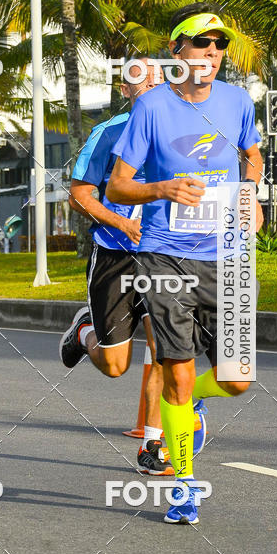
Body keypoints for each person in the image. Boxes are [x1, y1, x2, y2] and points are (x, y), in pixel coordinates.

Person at [107, 4, 263, 523]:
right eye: (201, 44)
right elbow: (117, 186)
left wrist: (250, 191)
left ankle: (186, 403)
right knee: (174, 371)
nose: (212, 54)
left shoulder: (238, 101)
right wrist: (162, 188)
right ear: (177, 52)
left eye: (219, 46)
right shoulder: (151, 108)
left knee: (238, 378)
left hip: (230, 254)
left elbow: (252, 153)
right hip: (165, 253)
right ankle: (184, 485)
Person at [60, 56, 206, 475]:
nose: (151, 94)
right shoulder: (107, 133)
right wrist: (123, 222)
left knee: (166, 349)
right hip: (115, 255)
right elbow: (80, 194)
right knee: (114, 365)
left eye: (158, 84)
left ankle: (152, 444)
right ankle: (84, 331)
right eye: (139, 87)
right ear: (126, 92)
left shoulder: (188, 131)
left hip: (169, 256)